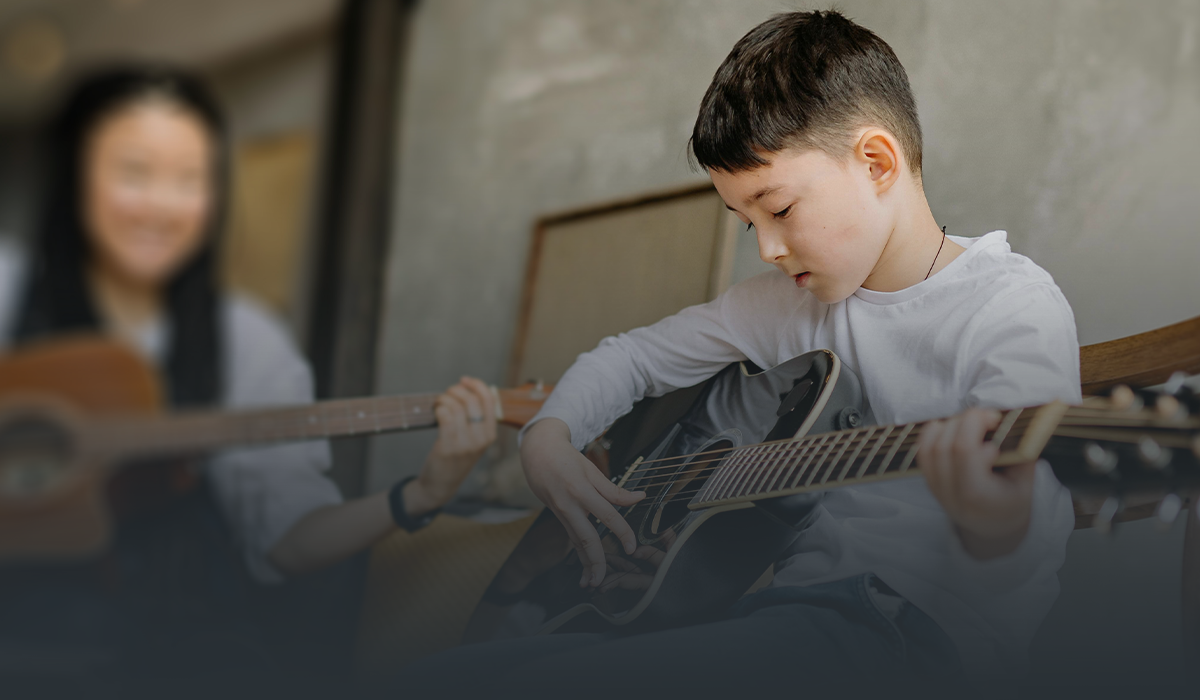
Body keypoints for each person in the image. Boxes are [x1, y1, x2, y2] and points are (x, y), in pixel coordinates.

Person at [395, 10, 1079, 696]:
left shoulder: (1009, 307)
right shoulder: (786, 306)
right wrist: (548, 437)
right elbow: (629, 359)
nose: (768, 250)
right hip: (777, 620)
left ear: (876, 162)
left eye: (778, 210)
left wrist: (995, 522)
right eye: (746, 221)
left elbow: (1020, 534)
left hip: (918, 640)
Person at [0, 67, 497, 697]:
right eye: (135, 172)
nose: (163, 204)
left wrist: (420, 495)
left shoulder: (244, 337)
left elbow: (288, 542)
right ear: (75, 175)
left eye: (191, 179)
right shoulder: (6, 285)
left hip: (176, 652)